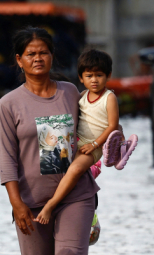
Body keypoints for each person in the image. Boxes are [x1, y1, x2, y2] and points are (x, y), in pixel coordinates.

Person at [0, 27, 99, 255]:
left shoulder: (70, 93)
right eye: (31, 54)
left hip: (75, 196)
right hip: (31, 201)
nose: (38, 58)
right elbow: (6, 160)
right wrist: (17, 205)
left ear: (52, 56)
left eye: (43, 52)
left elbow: (92, 135)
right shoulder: (9, 104)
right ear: (19, 60)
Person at [35, 50, 138, 225]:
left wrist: (95, 144)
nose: (94, 80)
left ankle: (50, 205)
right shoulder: (82, 96)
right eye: (89, 76)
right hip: (78, 140)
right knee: (52, 160)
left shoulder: (109, 98)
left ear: (108, 76)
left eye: (99, 75)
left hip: (95, 146)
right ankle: (46, 198)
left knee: (75, 169)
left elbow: (112, 125)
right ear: (81, 78)